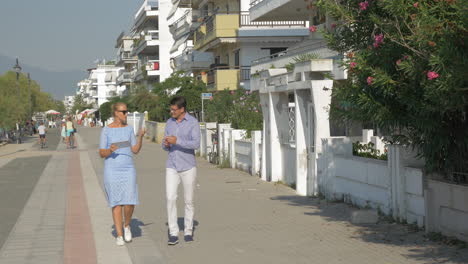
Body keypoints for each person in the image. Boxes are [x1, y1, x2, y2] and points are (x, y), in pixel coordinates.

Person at [99, 102, 146, 246]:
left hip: (128, 169)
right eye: (123, 112)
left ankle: (127, 225)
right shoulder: (106, 130)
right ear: (116, 113)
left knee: (130, 201)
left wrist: (140, 137)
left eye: (126, 111)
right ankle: (119, 235)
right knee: (116, 203)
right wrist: (110, 150)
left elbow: (135, 150)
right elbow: (102, 153)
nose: (126, 114)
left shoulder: (129, 129)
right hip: (112, 169)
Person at [162, 96, 200, 245]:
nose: (171, 112)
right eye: (170, 109)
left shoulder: (193, 122)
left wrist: (177, 141)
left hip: (188, 166)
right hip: (171, 165)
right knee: (170, 198)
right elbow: (164, 145)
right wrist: (166, 144)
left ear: (182, 109)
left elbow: (196, 144)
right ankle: (173, 232)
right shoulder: (169, 123)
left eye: (174, 109)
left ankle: (188, 230)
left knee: (188, 200)